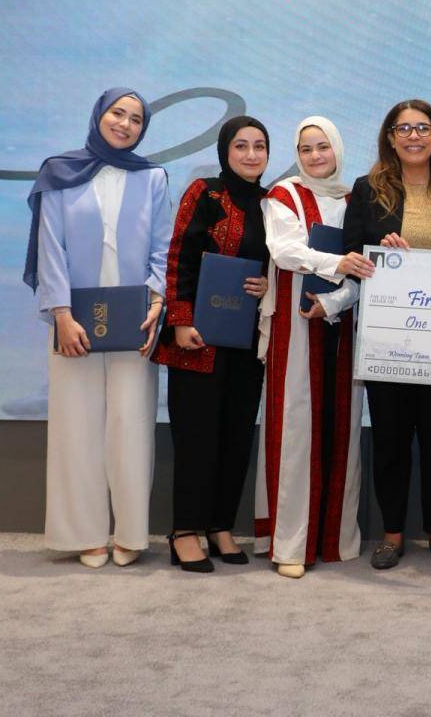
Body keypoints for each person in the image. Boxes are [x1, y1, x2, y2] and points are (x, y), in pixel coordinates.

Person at [26, 87, 171, 569]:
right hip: (73, 323)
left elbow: (162, 248)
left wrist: (156, 301)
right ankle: (84, 533)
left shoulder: (153, 178)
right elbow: (50, 249)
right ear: (99, 115)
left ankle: (130, 532)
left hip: (136, 321)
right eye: (117, 113)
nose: (125, 124)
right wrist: (61, 316)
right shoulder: (59, 172)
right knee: (76, 428)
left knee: (132, 427)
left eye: (136, 119)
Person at [342, 99, 431, 569]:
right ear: (390, 137)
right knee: (391, 440)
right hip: (388, 340)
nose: (414, 136)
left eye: (423, 128)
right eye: (404, 128)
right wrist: (377, 251)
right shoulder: (367, 190)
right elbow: (349, 256)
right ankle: (392, 534)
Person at [255, 116, 373, 579]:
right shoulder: (284, 194)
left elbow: (367, 268)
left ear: (337, 149)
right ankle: (291, 543)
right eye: (306, 148)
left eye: (323, 146)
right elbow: (285, 251)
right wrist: (337, 262)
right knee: (296, 430)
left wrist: (334, 301)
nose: (315, 156)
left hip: (341, 322)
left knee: (340, 428)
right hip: (295, 326)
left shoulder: (355, 199)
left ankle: (333, 538)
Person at [153, 117, 271, 573]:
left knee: (236, 435)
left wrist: (268, 286)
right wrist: (181, 321)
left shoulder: (272, 203)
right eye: (241, 145)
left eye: (259, 146)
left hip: (245, 341)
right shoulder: (205, 193)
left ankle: (220, 526)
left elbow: (276, 264)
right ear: (225, 151)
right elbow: (178, 256)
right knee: (197, 437)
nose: (251, 154)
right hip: (198, 339)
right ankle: (185, 531)